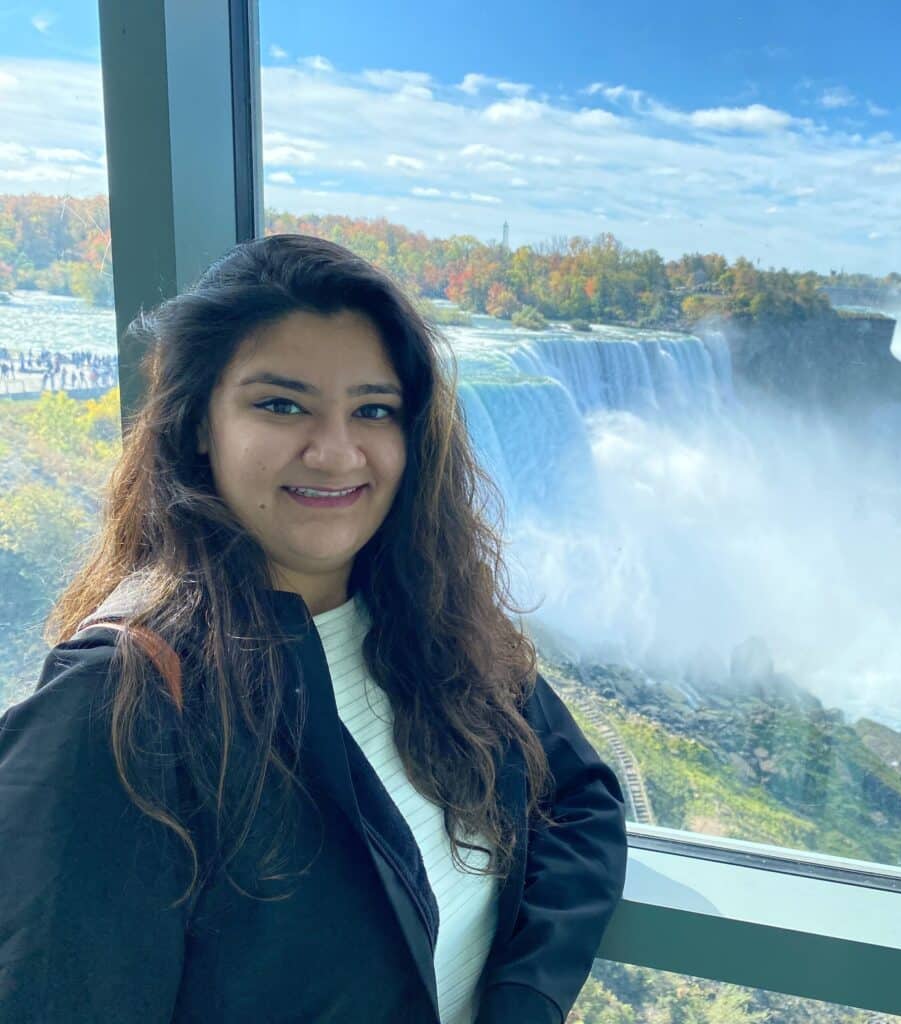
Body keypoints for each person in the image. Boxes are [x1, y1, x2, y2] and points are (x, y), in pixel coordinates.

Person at [0, 234, 628, 1023]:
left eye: (373, 410)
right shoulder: (120, 703)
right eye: (281, 404)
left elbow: (580, 798)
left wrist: (522, 998)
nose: (335, 453)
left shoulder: (432, 624)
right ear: (200, 424)